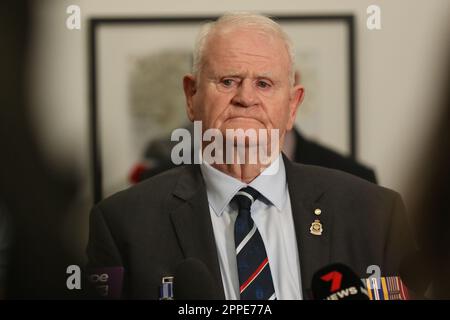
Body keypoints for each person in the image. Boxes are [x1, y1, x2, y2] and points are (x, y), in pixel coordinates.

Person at [87, 12, 412, 299]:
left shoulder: (376, 215)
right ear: (191, 95)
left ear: (293, 105)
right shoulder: (122, 224)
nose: (245, 98)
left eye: (264, 84)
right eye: (227, 81)